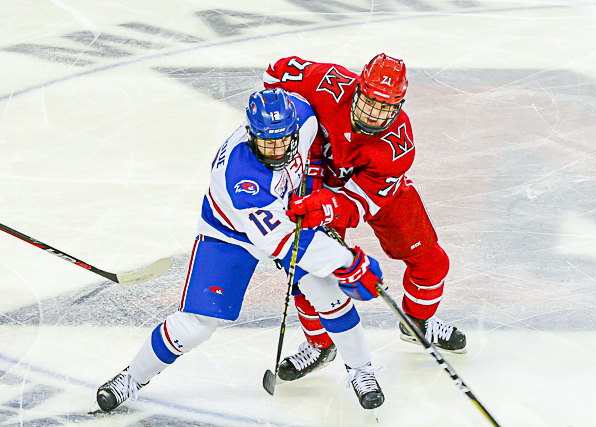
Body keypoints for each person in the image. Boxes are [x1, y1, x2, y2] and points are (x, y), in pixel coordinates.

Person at [95, 88, 387, 412]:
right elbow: (280, 242)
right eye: (267, 142)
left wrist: (311, 189)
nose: (276, 150)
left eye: (283, 140)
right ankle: (131, 378)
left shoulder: (303, 117)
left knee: (327, 291)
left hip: (281, 219)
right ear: (251, 134)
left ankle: (362, 370)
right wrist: (347, 261)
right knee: (195, 325)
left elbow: (312, 141)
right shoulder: (242, 178)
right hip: (229, 235)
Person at [263, 54, 467, 381]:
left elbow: (360, 203)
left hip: (372, 193)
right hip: (320, 182)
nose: (373, 114)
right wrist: (295, 137)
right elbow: (275, 74)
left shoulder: (398, 146)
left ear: (399, 106)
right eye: (369, 102)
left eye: (385, 108)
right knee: (308, 274)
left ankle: (417, 322)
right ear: (357, 87)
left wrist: (327, 205)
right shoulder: (326, 82)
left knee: (431, 263)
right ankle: (320, 345)